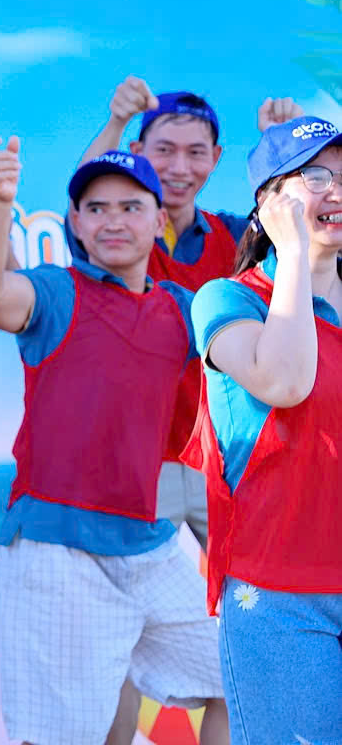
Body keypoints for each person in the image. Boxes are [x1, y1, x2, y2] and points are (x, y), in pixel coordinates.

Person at [0, 138, 227, 745]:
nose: (113, 220)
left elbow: (256, 352)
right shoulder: (54, 292)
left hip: (148, 545)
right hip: (55, 548)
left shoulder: (180, 309)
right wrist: (2, 205)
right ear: (76, 224)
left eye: (131, 207)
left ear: (159, 222)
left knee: (239, 679)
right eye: (97, 208)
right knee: (63, 735)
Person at [79, 78, 300, 545]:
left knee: (245, 580)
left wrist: (281, 144)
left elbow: (299, 224)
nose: (180, 168)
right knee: (137, 585)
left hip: (225, 454)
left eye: (196, 152)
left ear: (216, 158)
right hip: (136, 459)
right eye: (164, 150)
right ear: (136, 151)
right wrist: (117, 120)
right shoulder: (117, 240)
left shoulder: (237, 236)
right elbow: (89, 197)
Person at [187, 115, 342, 743]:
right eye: (316, 177)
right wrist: (297, 252)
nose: (336, 190)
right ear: (268, 202)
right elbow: (285, 381)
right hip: (281, 594)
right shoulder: (227, 300)